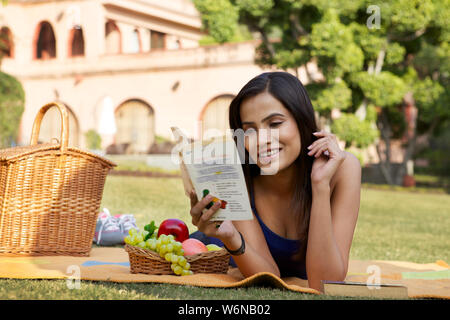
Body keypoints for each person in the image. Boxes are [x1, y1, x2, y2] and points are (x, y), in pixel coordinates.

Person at [189, 71, 361, 291]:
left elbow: (325, 282)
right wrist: (231, 236)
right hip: (216, 244)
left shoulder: (342, 168)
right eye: (249, 130)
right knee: (163, 242)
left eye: (275, 123)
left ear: (302, 120)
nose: (262, 140)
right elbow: (269, 277)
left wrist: (320, 186)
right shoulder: (238, 174)